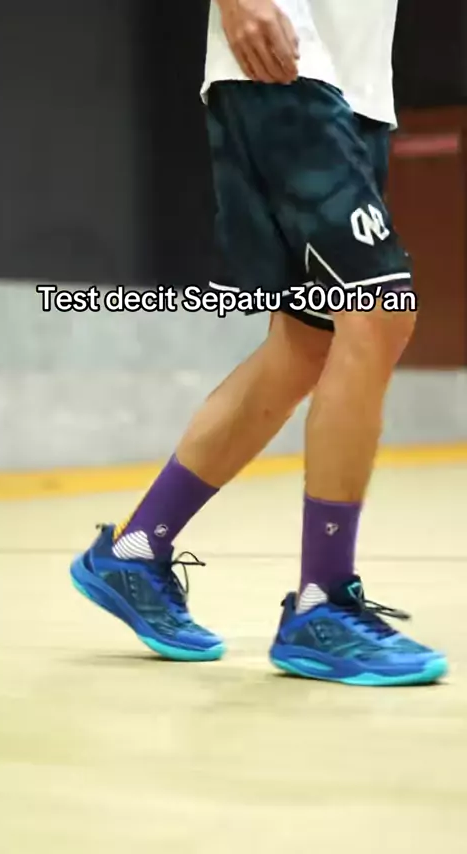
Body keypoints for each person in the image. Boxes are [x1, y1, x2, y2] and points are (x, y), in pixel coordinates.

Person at [71, 0, 448, 685]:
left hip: (355, 86)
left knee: (307, 342)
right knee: (378, 311)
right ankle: (322, 604)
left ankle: (136, 550)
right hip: (285, 58)